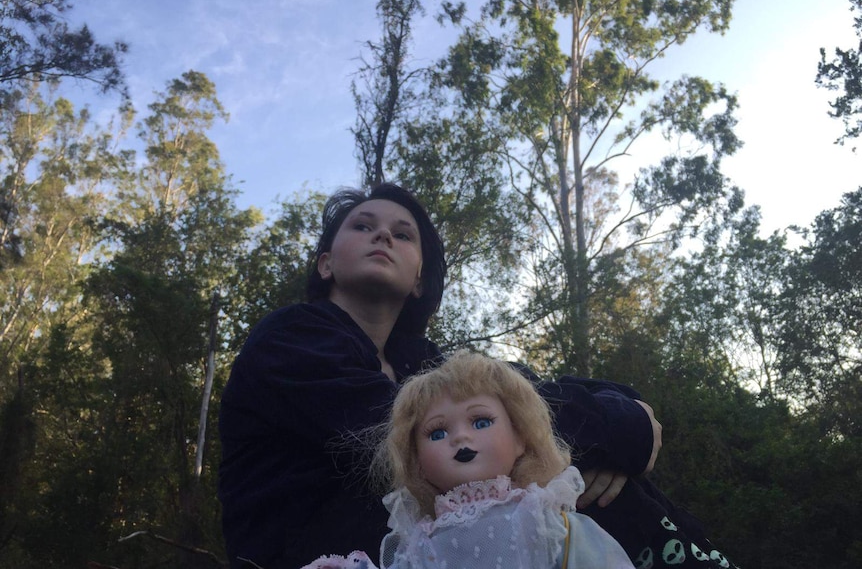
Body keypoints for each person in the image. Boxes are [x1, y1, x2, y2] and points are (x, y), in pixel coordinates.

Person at [218, 182, 735, 569]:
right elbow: (396, 438)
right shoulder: (292, 338)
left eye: (403, 234)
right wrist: (618, 429)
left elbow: (527, 393)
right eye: (362, 225)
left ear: (419, 279)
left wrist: (624, 408)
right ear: (326, 264)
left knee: (584, 486)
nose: (383, 234)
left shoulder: (421, 364)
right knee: (569, 486)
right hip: (321, 556)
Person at [300, 351, 636, 569]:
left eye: (481, 422)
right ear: (417, 462)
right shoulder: (418, 542)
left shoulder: (540, 517)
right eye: (436, 433)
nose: (461, 437)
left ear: (520, 437)